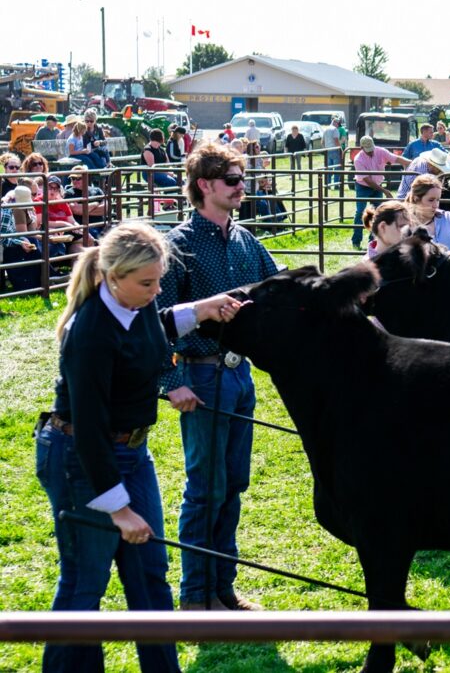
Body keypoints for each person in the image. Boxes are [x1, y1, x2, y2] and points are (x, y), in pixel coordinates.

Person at [36, 220, 241, 671]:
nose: (155, 291)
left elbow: (156, 327)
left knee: (150, 574)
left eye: (158, 281)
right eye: (146, 283)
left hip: (130, 451)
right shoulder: (90, 333)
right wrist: (119, 508)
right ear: (112, 277)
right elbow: (89, 428)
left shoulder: (137, 303)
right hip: (80, 456)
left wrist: (201, 309)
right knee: (84, 582)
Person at [157, 142, 281, 612]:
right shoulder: (178, 246)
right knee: (205, 488)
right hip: (200, 376)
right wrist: (170, 384)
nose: (241, 188)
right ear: (204, 185)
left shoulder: (248, 240)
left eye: (242, 179)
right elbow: (156, 320)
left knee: (233, 485)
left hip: (239, 378)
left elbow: (278, 289)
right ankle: (194, 596)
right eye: (232, 180)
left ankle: (222, 587)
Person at [353, 136, 412, 248]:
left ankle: (374, 240)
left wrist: (413, 163)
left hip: (376, 185)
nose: (370, 152)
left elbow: (396, 158)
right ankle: (356, 240)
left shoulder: (380, 151)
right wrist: (384, 191)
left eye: (371, 149)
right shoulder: (358, 159)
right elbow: (367, 180)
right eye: (368, 150)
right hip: (363, 186)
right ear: (362, 148)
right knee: (360, 212)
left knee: (378, 213)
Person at [1, 187, 43, 291]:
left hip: (7, 242)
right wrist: (20, 241)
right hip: (4, 244)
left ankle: (38, 281)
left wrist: (21, 239)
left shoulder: (10, 208)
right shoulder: (6, 212)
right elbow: (3, 238)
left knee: (32, 245)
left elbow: (10, 233)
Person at [321, 118, 342, 189]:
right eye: (338, 124)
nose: (338, 126)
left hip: (327, 151)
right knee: (337, 168)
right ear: (336, 123)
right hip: (334, 150)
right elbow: (336, 140)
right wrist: (340, 149)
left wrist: (325, 149)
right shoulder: (335, 129)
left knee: (328, 169)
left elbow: (322, 142)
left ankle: (328, 184)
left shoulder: (325, 129)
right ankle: (336, 184)